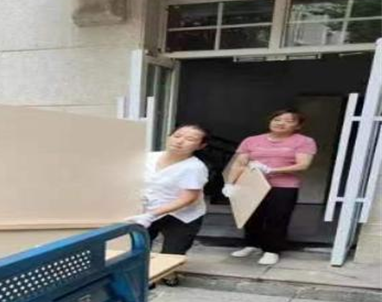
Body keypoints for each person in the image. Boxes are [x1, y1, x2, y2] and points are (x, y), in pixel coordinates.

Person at [224, 109, 317, 266]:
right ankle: (252, 245)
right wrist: (230, 183)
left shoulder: (304, 141)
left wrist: (272, 170)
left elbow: (303, 164)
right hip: (251, 184)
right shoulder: (251, 140)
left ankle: (272, 250)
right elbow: (239, 163)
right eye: (277, 119)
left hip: (284, 186)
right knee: (251, 215)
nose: (281, 123)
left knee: (277, 217)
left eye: (289, 121)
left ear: (298, 126)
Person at [129, 124, 210, 284]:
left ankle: (168, 273)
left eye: (190, 139)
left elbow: (188, 198)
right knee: (140, 245)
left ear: (201, 146)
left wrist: (152, 214)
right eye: (177, 136)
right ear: (169, 137)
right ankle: (145, 277)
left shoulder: (195, 167)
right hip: (147, 209)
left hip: (182, 214)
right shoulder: (148, 157)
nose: (180, 141)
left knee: (173, 250)